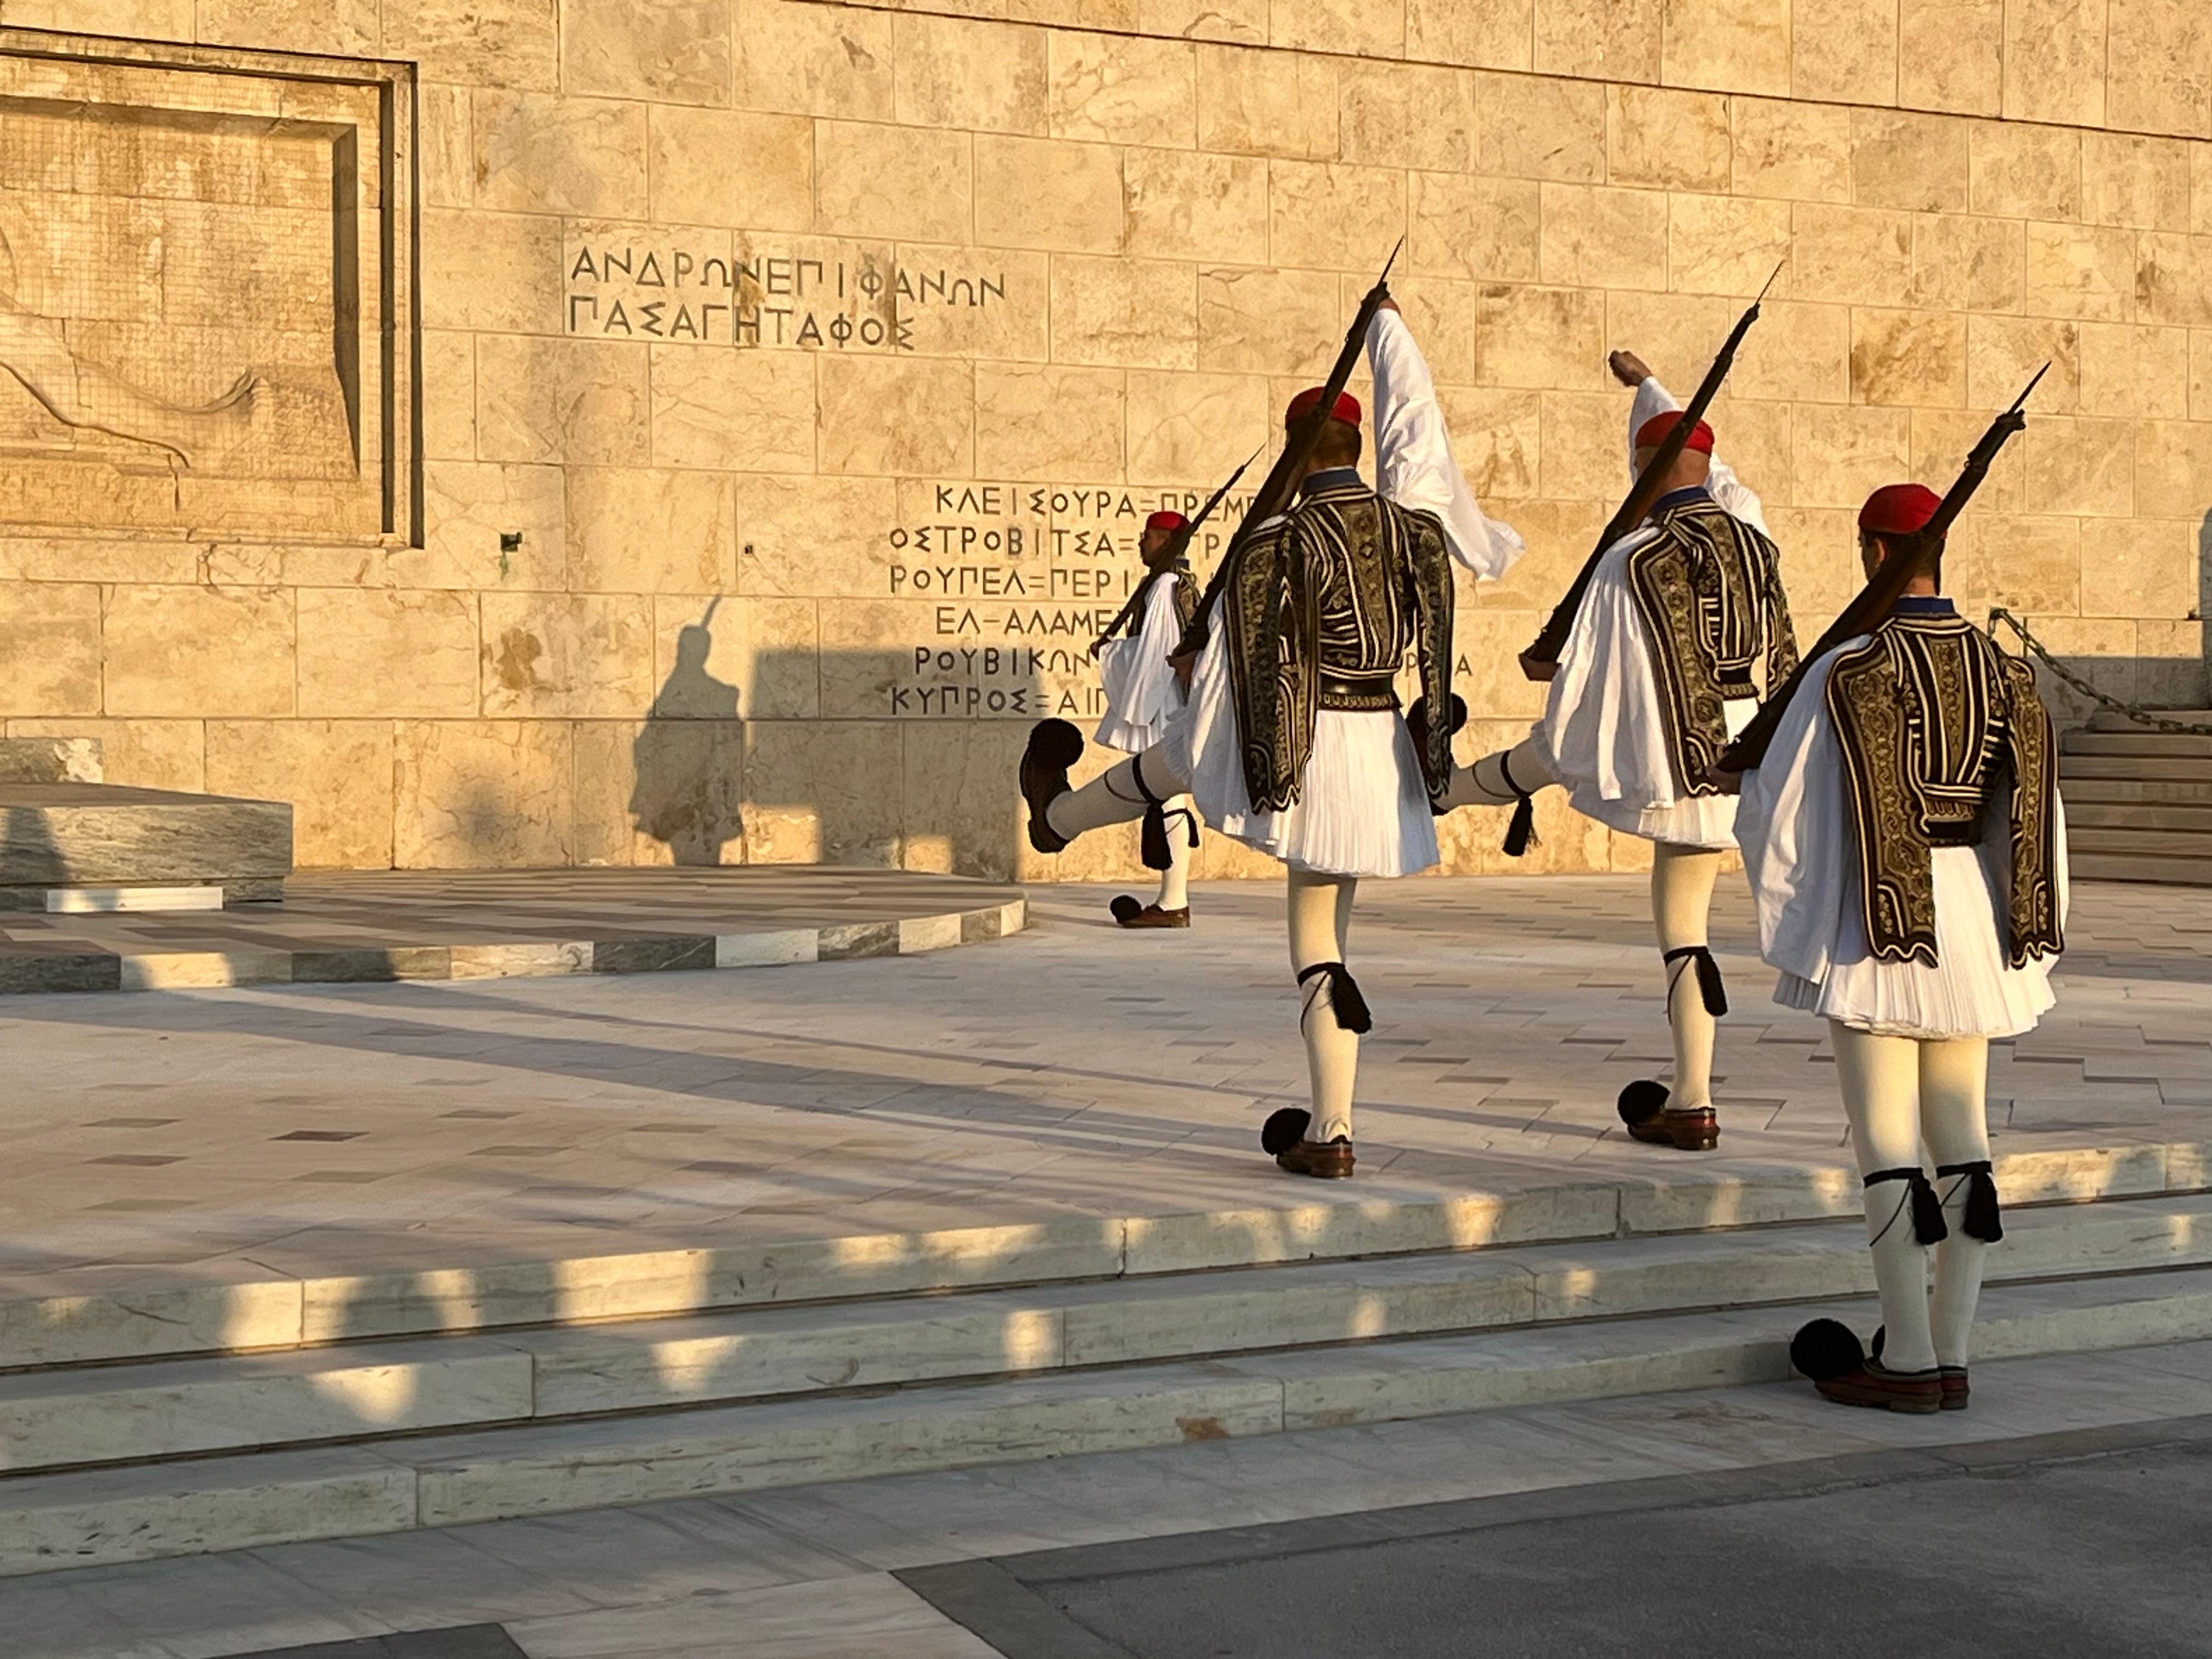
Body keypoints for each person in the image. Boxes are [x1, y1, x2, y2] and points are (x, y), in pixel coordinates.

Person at [1019, 304, 1510, 1179]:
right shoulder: (1416, 533)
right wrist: (1431, 757)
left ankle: (1332, 1132)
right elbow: (1434, 654)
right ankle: (1329, 1122)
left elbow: (1242, 678)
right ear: (1355, 451)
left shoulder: (1274, 541)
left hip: (1307, 748)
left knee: (1314, 941)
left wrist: (1203, 691)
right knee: (1331, 930)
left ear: (1293, 450)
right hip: (1380, 744)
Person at [1730, 483, 2066, 1413]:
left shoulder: (1851, 666)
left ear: (1872, 552)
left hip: (1876, 919)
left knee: (1886, 1139)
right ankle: (1950, 1351)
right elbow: (2035, 814)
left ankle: (1908, 1356)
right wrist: (2022, 929)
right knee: (1964, 1142)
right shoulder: (2005, 671)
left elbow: (1781, 813)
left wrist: (1794, 907)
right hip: (1972, 909)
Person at [1435, 349, 1797, 1153]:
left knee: (1673, 920)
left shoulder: (1631, 559)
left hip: (1675, 765)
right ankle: (1691, 1094)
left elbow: (1588, 686)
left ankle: (1696, 1100)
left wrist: (1547, 668)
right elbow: (1715, 471)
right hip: (1749, 756)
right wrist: (1646, 388)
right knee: (1690, 925)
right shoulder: (1754, 540)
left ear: (1641, 468)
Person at [1089, 510, 1203, 928]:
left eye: (1150, 537)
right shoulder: (1170, 585)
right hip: (1169, 702)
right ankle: (1171, 899)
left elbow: (1156, 657)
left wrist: (1109, 654)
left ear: (1166, 542)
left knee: (1169, 797)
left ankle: (1174, 903)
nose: (1142, 544)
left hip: (1165, 704)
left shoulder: (1167, 587)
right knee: (1165, 797)